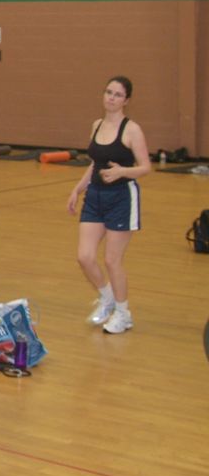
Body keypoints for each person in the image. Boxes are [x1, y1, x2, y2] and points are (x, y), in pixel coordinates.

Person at [67, 76, 151, 334]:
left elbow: (146, 167)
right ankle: (107, 298)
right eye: (108, 92)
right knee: (85, 256)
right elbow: (95, 162)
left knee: (112, 260)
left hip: (121, 198)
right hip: (95, 197)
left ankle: (123, 314)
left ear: (126, 100)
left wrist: (122, 172)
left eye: (117, 94)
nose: (111, 98)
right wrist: (78, 188)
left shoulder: (132, 130)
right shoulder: (96, 125)